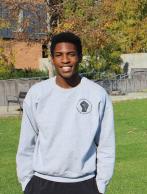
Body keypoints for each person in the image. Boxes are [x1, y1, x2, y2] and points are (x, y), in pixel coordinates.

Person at [16, 32, 115, 194]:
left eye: (71, 54)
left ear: (80, 57)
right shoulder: (37, 94)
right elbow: (26, 144)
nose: (65, 60)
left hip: (85, 184)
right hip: (42, 184)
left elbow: (106, 145)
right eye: (59, 55)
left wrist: (100, 185)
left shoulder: (97, 95)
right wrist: (27, 182)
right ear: (52, 59)